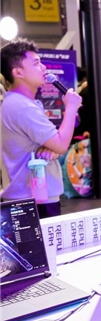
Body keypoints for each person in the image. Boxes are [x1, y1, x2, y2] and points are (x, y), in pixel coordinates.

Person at [1, 39, 83, 218]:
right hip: (33, 199)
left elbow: (54, 144)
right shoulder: (22, 107)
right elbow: (61, 144)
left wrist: (52, 149)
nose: (44, 68)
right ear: (18, 72)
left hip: (33, 196)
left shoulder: (23, 103)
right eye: (36, 63)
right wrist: (71, 107)